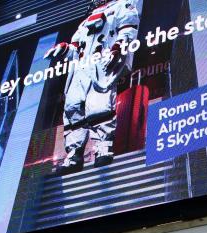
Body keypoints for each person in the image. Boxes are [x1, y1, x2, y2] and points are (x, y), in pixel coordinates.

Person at [44, 0, 141, 174]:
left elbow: (128, 28)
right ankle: (74, 154)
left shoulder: (122, 6)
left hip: (102, 63)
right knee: (73, 108)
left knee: (99, 106)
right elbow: (76, 46)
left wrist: (117, 48)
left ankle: (103, 147)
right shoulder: (84, 23)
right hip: (81, 68)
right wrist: (64, 49)